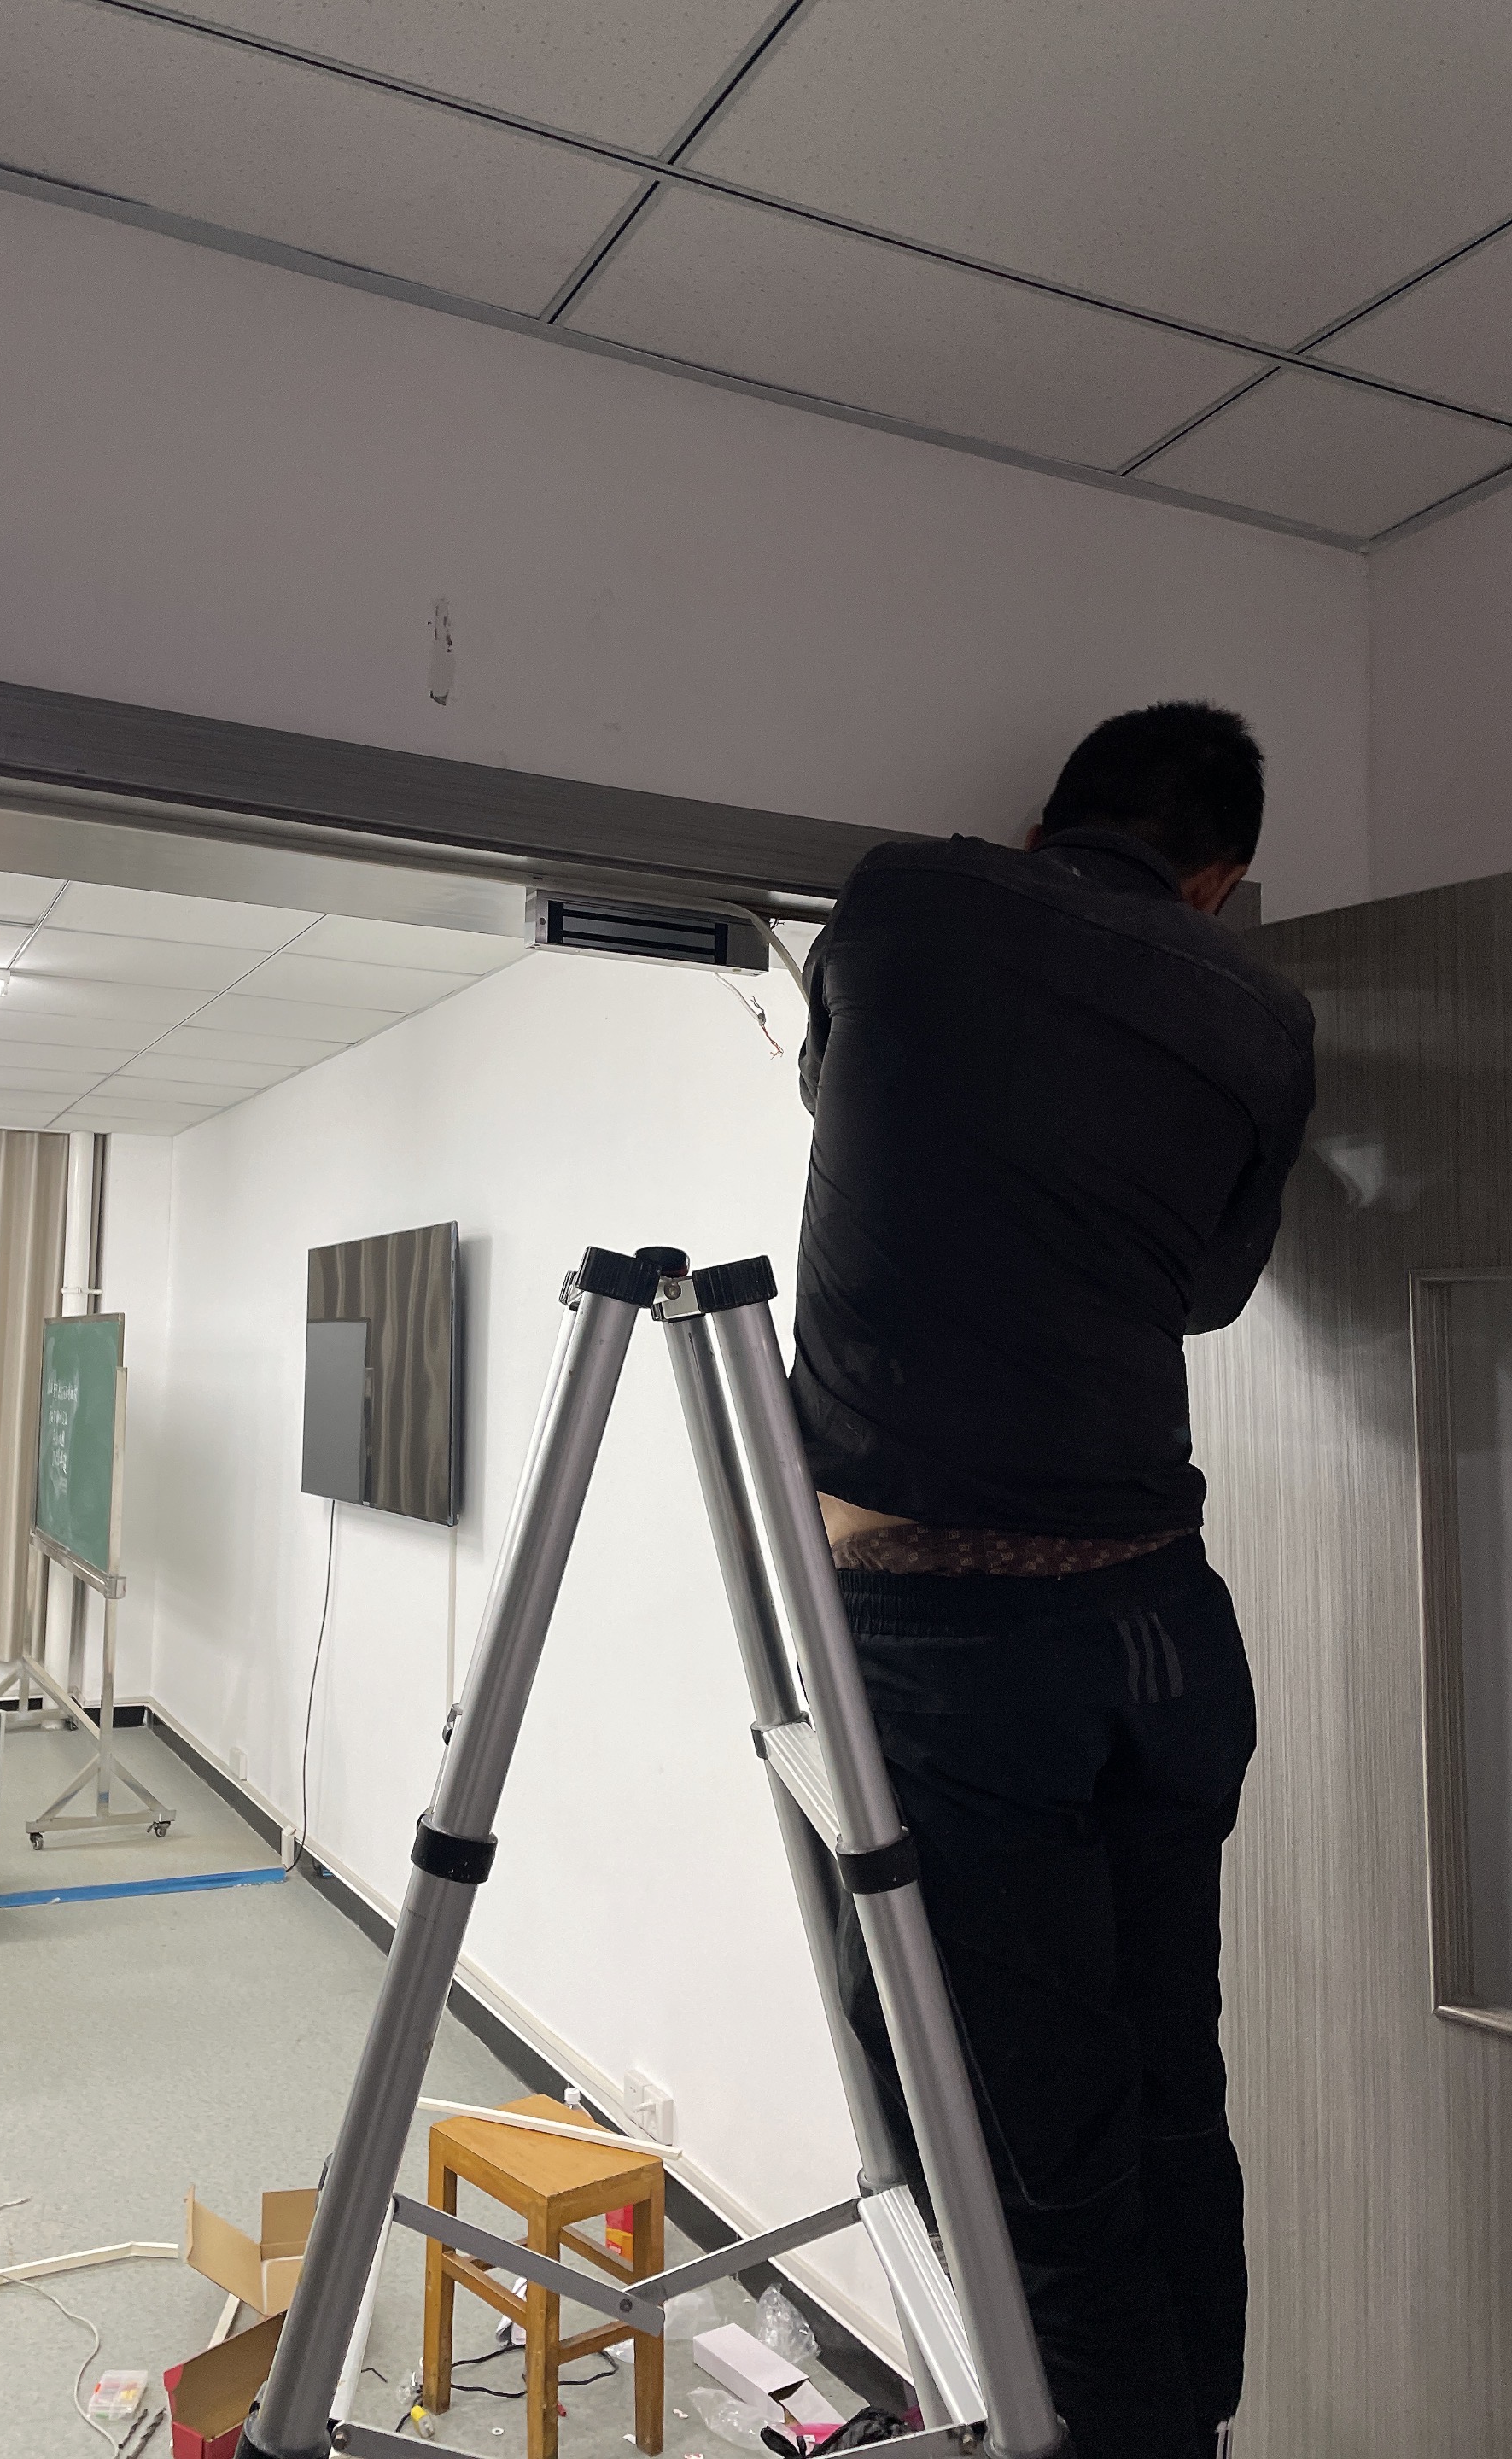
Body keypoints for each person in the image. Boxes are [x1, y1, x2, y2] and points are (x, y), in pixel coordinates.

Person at [793, 703, 1315, 2459]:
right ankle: (1193, 2423)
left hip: (950, 1630)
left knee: (1026, 2135)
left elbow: (840, 1092)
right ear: (1219, 879)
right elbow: (1212, 1293)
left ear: (1041, 822)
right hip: (1166, 1625)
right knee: (1169, 2077)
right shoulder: (1266, 1016)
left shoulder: (896, 903)